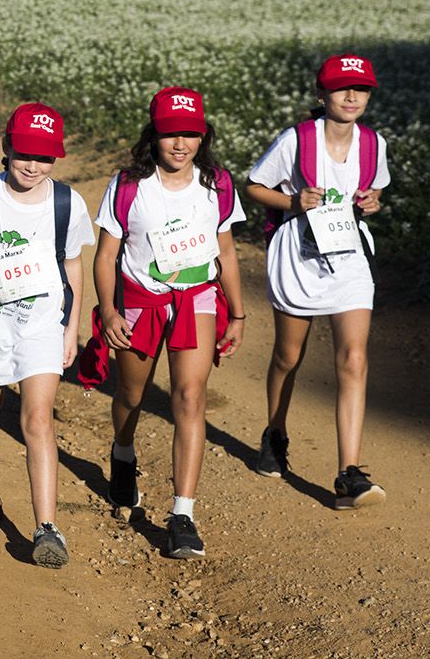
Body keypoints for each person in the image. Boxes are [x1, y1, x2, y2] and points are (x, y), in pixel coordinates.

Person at [78, 87, 246, 560]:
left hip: (197, 301)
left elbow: (226, 251)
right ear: (154, 135)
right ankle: (123, 452)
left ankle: (182, 515)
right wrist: (108, 311)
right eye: (171, 133)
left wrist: (237, 311)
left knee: (190, 397)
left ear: (203, 135)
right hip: (140, 303)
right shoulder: (129, 185)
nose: (180, 144)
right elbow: (106, 255)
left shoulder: (218, 184)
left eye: (190, 134)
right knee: (130, 396)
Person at [0, 103, 91, 568]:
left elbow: (72, 265)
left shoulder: (66, 203)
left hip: (41, 326)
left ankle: (46, 527)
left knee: (37, 420)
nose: (32, 165)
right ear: (7, 149)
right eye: (24, 153)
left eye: (44, 157)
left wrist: (72, 327)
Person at [246, 54, 392, 509]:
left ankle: (349, 472)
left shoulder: (373, 143)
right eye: (341, 88)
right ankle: (275, 433)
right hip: (300, 258)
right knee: (289, 356)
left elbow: (376, 188)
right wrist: (292, 202)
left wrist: (373, 202)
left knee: (354, 358)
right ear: (321, 93)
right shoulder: (296, 140)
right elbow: (252, 186)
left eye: (361, 89)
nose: (351, 97)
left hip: (349, 257)